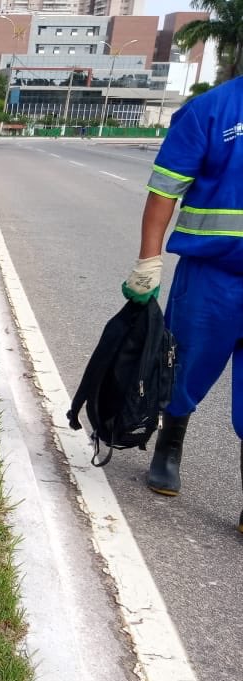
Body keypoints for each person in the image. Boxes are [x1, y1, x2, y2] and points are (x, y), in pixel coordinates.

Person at [124, 76, 243, 533]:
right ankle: (168, 448)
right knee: (184, 366)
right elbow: (164, 192)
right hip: (212, 274)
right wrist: (148, 262)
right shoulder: (211, 110)